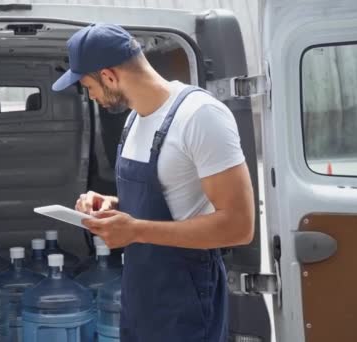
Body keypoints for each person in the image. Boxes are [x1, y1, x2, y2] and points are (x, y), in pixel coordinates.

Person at [52, 24, 255, 342]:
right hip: (141, 293)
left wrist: (135, 230)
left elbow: (239, 226)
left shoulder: (200, 116)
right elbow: (170, 199)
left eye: (87, 86)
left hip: (186, 297)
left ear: (109, 76)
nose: (90, 95)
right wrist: (112, 206)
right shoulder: (135, 117)